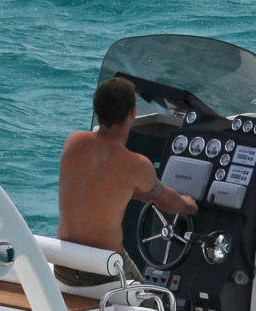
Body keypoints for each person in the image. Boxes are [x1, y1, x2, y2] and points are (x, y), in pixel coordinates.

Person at [54, 75, 199, 287]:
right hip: (102, 270)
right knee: (152, 304)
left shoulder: (73, 142)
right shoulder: (136, 164)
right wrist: (191, 206)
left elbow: (99, 185)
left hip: (63, 265)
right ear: (133, 112)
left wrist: (133, 192)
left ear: (97, 109)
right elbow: (168, 203)